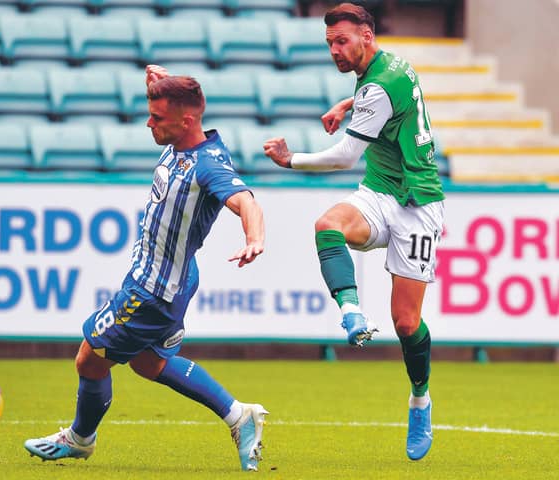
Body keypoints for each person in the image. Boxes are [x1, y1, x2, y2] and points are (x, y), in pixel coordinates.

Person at [25, 66, 268, 472]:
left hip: (153, 291)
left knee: (89, 360)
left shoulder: (206, 165)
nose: (148, 123)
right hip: (172, 278)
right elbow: (176, 104)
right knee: (147, 362)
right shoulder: (182, 138)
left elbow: (246, 201)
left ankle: (80, 439)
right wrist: (159, 83)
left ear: (186, 120)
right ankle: (238, 416)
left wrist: (254, 238)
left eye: (156, 117)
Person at [263, 2, 444, 462]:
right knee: (327, 225)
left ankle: (420, 398)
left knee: (406, 323)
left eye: (342, 41)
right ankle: (351, 314)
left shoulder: (379, 84)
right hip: (380, 191)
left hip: (417, 203)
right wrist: (349, 102)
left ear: (366, 35)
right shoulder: (387, 66)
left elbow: (344, 157)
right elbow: (385, 96)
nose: (335, 51)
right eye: (329, 44)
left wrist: (291, 161)